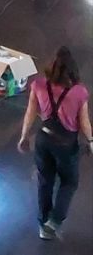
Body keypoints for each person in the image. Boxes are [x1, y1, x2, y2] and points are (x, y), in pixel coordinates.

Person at [19, 47, 93, 240]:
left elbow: (30, 113)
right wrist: (91, 141)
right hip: (66, 144)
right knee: (69, 182)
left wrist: (24, 136)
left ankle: (43, 225)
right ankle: (55, 220)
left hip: (43, 139)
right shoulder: (79, 92)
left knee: (45, 182)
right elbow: (84, 122)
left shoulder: (39, 85)